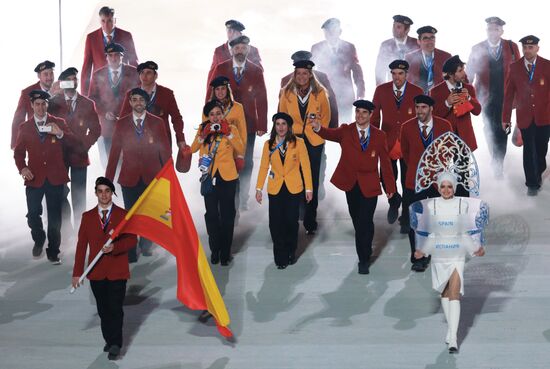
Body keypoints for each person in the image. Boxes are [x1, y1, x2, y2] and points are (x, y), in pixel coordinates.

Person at [310, 100, 395, 274]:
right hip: (351, 184)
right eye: (357, 112)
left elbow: (385, 164)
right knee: (358, 221)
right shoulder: (346, 130)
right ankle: (365, 246)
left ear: (371, 115)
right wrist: (317, 127)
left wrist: (390, 188)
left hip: (370, 184)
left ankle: (363, 259)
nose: (360, 115)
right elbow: (329, 133)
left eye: (364, 112)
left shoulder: (379, 136)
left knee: (365, 221)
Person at [72, 177, 138, 361]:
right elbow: (81, 246)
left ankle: (116, 343)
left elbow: (132, 240)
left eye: (107, 191)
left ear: (112, 193)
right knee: (103, 310)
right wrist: (77, 273)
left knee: (115, 308)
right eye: (100, 191)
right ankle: (110, 339)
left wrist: (115, 248)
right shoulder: (87, 217)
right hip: (96, 272)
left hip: (117, 271)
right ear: (96, 193)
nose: (103, 195)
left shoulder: (123, 216)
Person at [105, 88, 171, 262]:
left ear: (146, 102)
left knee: (148, 214)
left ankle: (146, 245)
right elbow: (114, 153)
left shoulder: (157, 123)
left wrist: (170, 179)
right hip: (129, 177)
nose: (138, 103)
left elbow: (165, 151)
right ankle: (131, 250)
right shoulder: (122, 123)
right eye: (134, 100)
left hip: (152, 177)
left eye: (141, 99)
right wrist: (107, 181)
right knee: (130, 216)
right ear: (130, 102)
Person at [13, 90, 75, 264]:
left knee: (55, 217)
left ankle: (53, 250)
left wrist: (61, 134)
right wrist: (23, 168)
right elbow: (18, 154)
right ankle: (39, 239)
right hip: (34, 178)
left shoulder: (59, 123)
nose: (40, 108)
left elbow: (74, 144)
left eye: (43, 104)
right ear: (32, 106)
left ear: (47, 105)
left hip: (55, 178)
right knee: (33, 214)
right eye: (37, 104)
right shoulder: (24, 128)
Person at [208, 35, 268, 210]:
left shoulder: (256, 70)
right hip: (223, 123)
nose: (240, 51)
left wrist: (262, 125)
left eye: (243, 48)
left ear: (248, 49)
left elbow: (262, 97)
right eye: (236, 48)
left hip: (248, 125)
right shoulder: (221, 67)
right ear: (231, 50)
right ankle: (229, 195)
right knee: (226, 158)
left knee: (246, 161)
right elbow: (210, 92)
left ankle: (243, 198)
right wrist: (207, 118)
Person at [400, 95, 452, 271]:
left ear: (431, 109)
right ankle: (418, 257)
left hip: (438, 181)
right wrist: (419, 169)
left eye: (423, 107)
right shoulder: (406, 127)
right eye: (417, 107)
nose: (419, 111)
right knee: (416, 221)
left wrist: (438, 172)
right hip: (415, 181)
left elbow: (449, 151)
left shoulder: (445, 126)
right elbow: (405, 154)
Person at [278, 59, 330, 235]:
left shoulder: (320, 92)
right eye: (298, 73)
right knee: (294, 177)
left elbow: (326, 118)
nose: (301, 76)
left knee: (312, 180)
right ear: (294, 74)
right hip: (293, 139)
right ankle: (296, 214)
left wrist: (318, 127)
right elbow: (281, 117)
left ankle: (310, 219)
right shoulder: (286, 93)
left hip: (313, 141)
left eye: (305, 73)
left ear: (310, 75)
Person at [255, 112, 313, 269]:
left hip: (293, 188)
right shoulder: (269, 144)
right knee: (275, 223)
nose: (280, 127)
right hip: (275, 188)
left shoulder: (299, 143)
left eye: (283, 124)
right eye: (278, 124)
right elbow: (263, 167)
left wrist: (309, 188)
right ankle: (280, 256)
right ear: (274, 126)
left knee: (291, 222)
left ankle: (290, 251)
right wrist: (259, 188)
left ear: (289, 126)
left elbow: (306, 166)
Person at [371, 60, 423, 229]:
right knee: (386, 178)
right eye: (393, 73)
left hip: (409, 143)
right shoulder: (381, 90)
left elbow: (422, 117)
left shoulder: (417, 91)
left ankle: (406, 218)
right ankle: (394, 201)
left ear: (407, 74)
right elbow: (375, 117)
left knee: (408, 182)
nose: (397, 77)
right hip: (387, 141)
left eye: (400, 74)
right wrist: (373, 138)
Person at [192, 101, 244, 266]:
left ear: (223, 114)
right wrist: (202, 136)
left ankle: (225, 252)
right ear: (207, 116)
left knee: (228, 215)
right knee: (212, 215)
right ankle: (215, 249)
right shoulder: (203, 129)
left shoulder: (232, 129)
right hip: (210, 177)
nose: (215, 117)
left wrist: (228, 134)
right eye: (212, 114)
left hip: (228, 178)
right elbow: (192, 149)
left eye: (218, 113)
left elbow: (241, 149)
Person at [48, 67, 101, 228]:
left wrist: (84, 145)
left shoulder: (88, 103)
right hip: (59, 155)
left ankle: (80, 229)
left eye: (75, 78)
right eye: (69, 79)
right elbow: (44, 122)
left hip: (79, 155)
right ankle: (66, 230)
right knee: (61, 192)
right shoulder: (53, 103)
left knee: (79, 195)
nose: (73, 81)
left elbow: (96, 129)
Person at [467, 17, 520, 177]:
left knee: (504, 129)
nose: (493, 32)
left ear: (501, 31)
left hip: (507, 97)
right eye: (490, 29)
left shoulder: (511, 47)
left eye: (496, 29)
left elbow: (518, 72)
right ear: (487, 31)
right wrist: (466, 93)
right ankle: (495, 158)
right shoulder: (477, 48)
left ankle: (498, 163)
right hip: (485, 98)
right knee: (489, 128)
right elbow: (469, 73)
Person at [502, 35, 550, 196]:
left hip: (545, 116)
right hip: (525, 117)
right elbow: (508, 95)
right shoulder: (514, 67)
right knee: (529, 149)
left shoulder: (547, 65)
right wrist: (505, 118)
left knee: (541, 149)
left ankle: (539, 174)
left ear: (537, 48)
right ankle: (531, 184)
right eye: (525, 47)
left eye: (531, 47)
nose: (528, 50)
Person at [430, 55, 482, 196]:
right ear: (451, 74)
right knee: (443, 172)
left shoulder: (469, 88)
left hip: (464, 138)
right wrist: (447, 103)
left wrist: (469, 98)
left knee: (463, 173)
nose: (463, 73)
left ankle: (462, 202)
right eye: (460, 71)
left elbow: (477, 111)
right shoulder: (436, 91)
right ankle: (444, 202)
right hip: (444, 139)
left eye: (463, 70)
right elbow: (433, 117)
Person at [88, 43, 139, 166]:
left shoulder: (133, 72)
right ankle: (113, 185)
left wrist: (128, 113)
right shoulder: (97, 74)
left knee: (130, 163)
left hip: (130, 126)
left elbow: (139, 96)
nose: (113, 58)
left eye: (116, 55)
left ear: (122, 56)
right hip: (107, 128)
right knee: (111, 163)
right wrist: (104, 112)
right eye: (110, 55)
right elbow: (92, 99)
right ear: (106, 57)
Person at [119, 61, 187, 149]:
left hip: (162, 142)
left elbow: (176, 118)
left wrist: (180, 138)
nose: (144, 76)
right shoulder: (130, 94)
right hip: (136, 143)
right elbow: (123, 120)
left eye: (148, 73)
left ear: (156, 76)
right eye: (142, 73)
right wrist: (120, 142)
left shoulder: (167, 94)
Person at [311, 18, 365, 121]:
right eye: (327, 32)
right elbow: (310, 72)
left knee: (344, 127)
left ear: (339, 32)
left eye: (332, 31)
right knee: (325, 127)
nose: (329, 34)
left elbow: (357, 72)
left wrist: (360, 92)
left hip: (345, 97)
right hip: (324, 96)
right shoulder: (316, 48)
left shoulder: (349, 47)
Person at [81, 6, 138, 96]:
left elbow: (133, 62)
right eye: (103, 21)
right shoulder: (91, 38)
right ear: (100, 21)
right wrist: (84, 96)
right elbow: (86, 68)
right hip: (100, 87)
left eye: (109, 21)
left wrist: (139, 88)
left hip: (123, 87)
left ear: (115, 21)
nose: (106, 25)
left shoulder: (126, 35)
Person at [281, 50, 339, 128]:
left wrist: (332, 128)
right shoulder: (286, 80)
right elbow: (282, 108)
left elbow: (330, 101)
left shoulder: (322, 77)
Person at [11, 60, 61, 149]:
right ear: (39, 76)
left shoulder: (60, 90)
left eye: (51, 73)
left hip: (57, 141)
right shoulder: (27, 93)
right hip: (36, 141)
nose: (49, 77)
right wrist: (16, 144)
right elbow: (18, 119)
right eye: (46, 74)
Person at [206, 19, 262, 85]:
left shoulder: (253, 50)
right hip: (226, 93)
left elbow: (260, 74)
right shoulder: (219, 51)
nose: (232, 34)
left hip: (248, 92)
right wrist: (209, 94)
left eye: (235, 31)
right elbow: (212, 76)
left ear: (240, 34)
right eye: (229, 31)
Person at [405, 26, 452, 94]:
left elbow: (455, 78)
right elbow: (405, 80)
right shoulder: (410, 57)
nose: (430, 41)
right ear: (419, 41)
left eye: (432, 37)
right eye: (425, 38)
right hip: (417, 98)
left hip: (439, 97)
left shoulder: (446, 57)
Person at [374, 15, 418, 85]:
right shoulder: (385, 45)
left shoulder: (417, 44)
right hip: (392, 88)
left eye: (398, 27)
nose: (394, 29)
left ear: (407, 30)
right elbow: (379, 70)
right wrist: (380, 90)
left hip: (413, 88)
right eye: (393, 26)